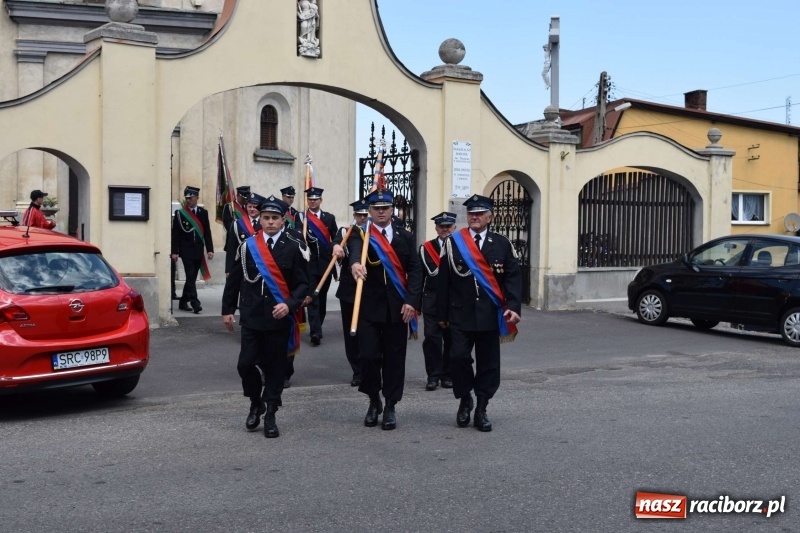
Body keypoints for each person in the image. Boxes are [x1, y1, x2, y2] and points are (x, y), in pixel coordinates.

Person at [222, 195, 310, 438]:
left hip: (278, 318)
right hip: (251, 316)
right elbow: (235, 281)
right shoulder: (248, 246)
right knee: (245, 364)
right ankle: (255, 403)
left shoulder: (293, 247)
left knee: (275, 367)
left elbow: (303, 284)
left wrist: (289, 305)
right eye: (266, 217)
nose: (270, 222)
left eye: (274, 218)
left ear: (283, 220)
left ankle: (271, 412)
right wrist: (227, 310)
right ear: (259, 219)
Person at [436, 194, 522, 432]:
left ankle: (482, 407)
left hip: (490, 314)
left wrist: (513, 307)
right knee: (458, 358)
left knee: (488, 364)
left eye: (479, 213)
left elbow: (513, 279)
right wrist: (441, 314)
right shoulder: (453, 243)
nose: (474, 217)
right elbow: (443, 281)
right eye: (471, 213)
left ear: (490, 217)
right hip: (459, 314)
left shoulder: (502, 244)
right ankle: (465, 398)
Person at [349, 189, 422, 430]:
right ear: (370, 211)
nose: (381, 212)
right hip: (368, 307)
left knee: (394, 359)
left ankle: (390, 405)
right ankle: (373, 400)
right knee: (369, 357)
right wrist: (355, 264)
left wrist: (412, 301)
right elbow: (354, 252)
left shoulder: (405, 236)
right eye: (376, 209)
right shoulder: (362, 233)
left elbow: (415, 270)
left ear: (392, 210)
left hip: (397, 308)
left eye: (385, 208)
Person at [420, 212, 457, 391]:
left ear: (454, 227)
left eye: (448, 226)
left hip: (454, 301)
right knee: (432, 339)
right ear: (436, 228)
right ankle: (433, 376)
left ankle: (448, 374)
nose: (445, 229)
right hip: (432, 300)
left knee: (452, 339)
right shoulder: (426, 248)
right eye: (441, 226)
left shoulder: (460, 247)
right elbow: (421, 275)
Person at [300, 186, 341, 347]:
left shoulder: (329, 218)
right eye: (310, 199)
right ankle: (315, 332)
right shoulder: (302, 218)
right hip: (309, 264)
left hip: (326, 265)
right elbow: (297, 237)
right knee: (313, 297)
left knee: (321, 299)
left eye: (315, 199)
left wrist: (336, 248)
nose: (313, 202)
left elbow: (336, 238)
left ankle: (318, 326)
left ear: (320, 200)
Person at [334, 200, 368, 387]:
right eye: (359, 215)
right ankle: (358, 371)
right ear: (354, 215)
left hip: (370, 291)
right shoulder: (345, 232)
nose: (362, 218)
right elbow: (335, 243)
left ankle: (371, 368)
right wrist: (335, 247)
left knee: (368, 332)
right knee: (351, 334)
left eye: (365, 215)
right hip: (349, 291)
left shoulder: (376, 233)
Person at [171, 186, 214, 314]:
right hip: (186, 251)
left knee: (192, 278)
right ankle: (195, 303)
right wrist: (174, 251)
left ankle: (183, 301)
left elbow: (207, 232)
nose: (188, 200)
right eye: (187, 198)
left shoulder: (203, 213)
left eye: (191, 198)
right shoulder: (180, 214)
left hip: (198, 251)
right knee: (190, 275)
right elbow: (175, 234)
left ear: (197, 198)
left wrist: (210, 249)